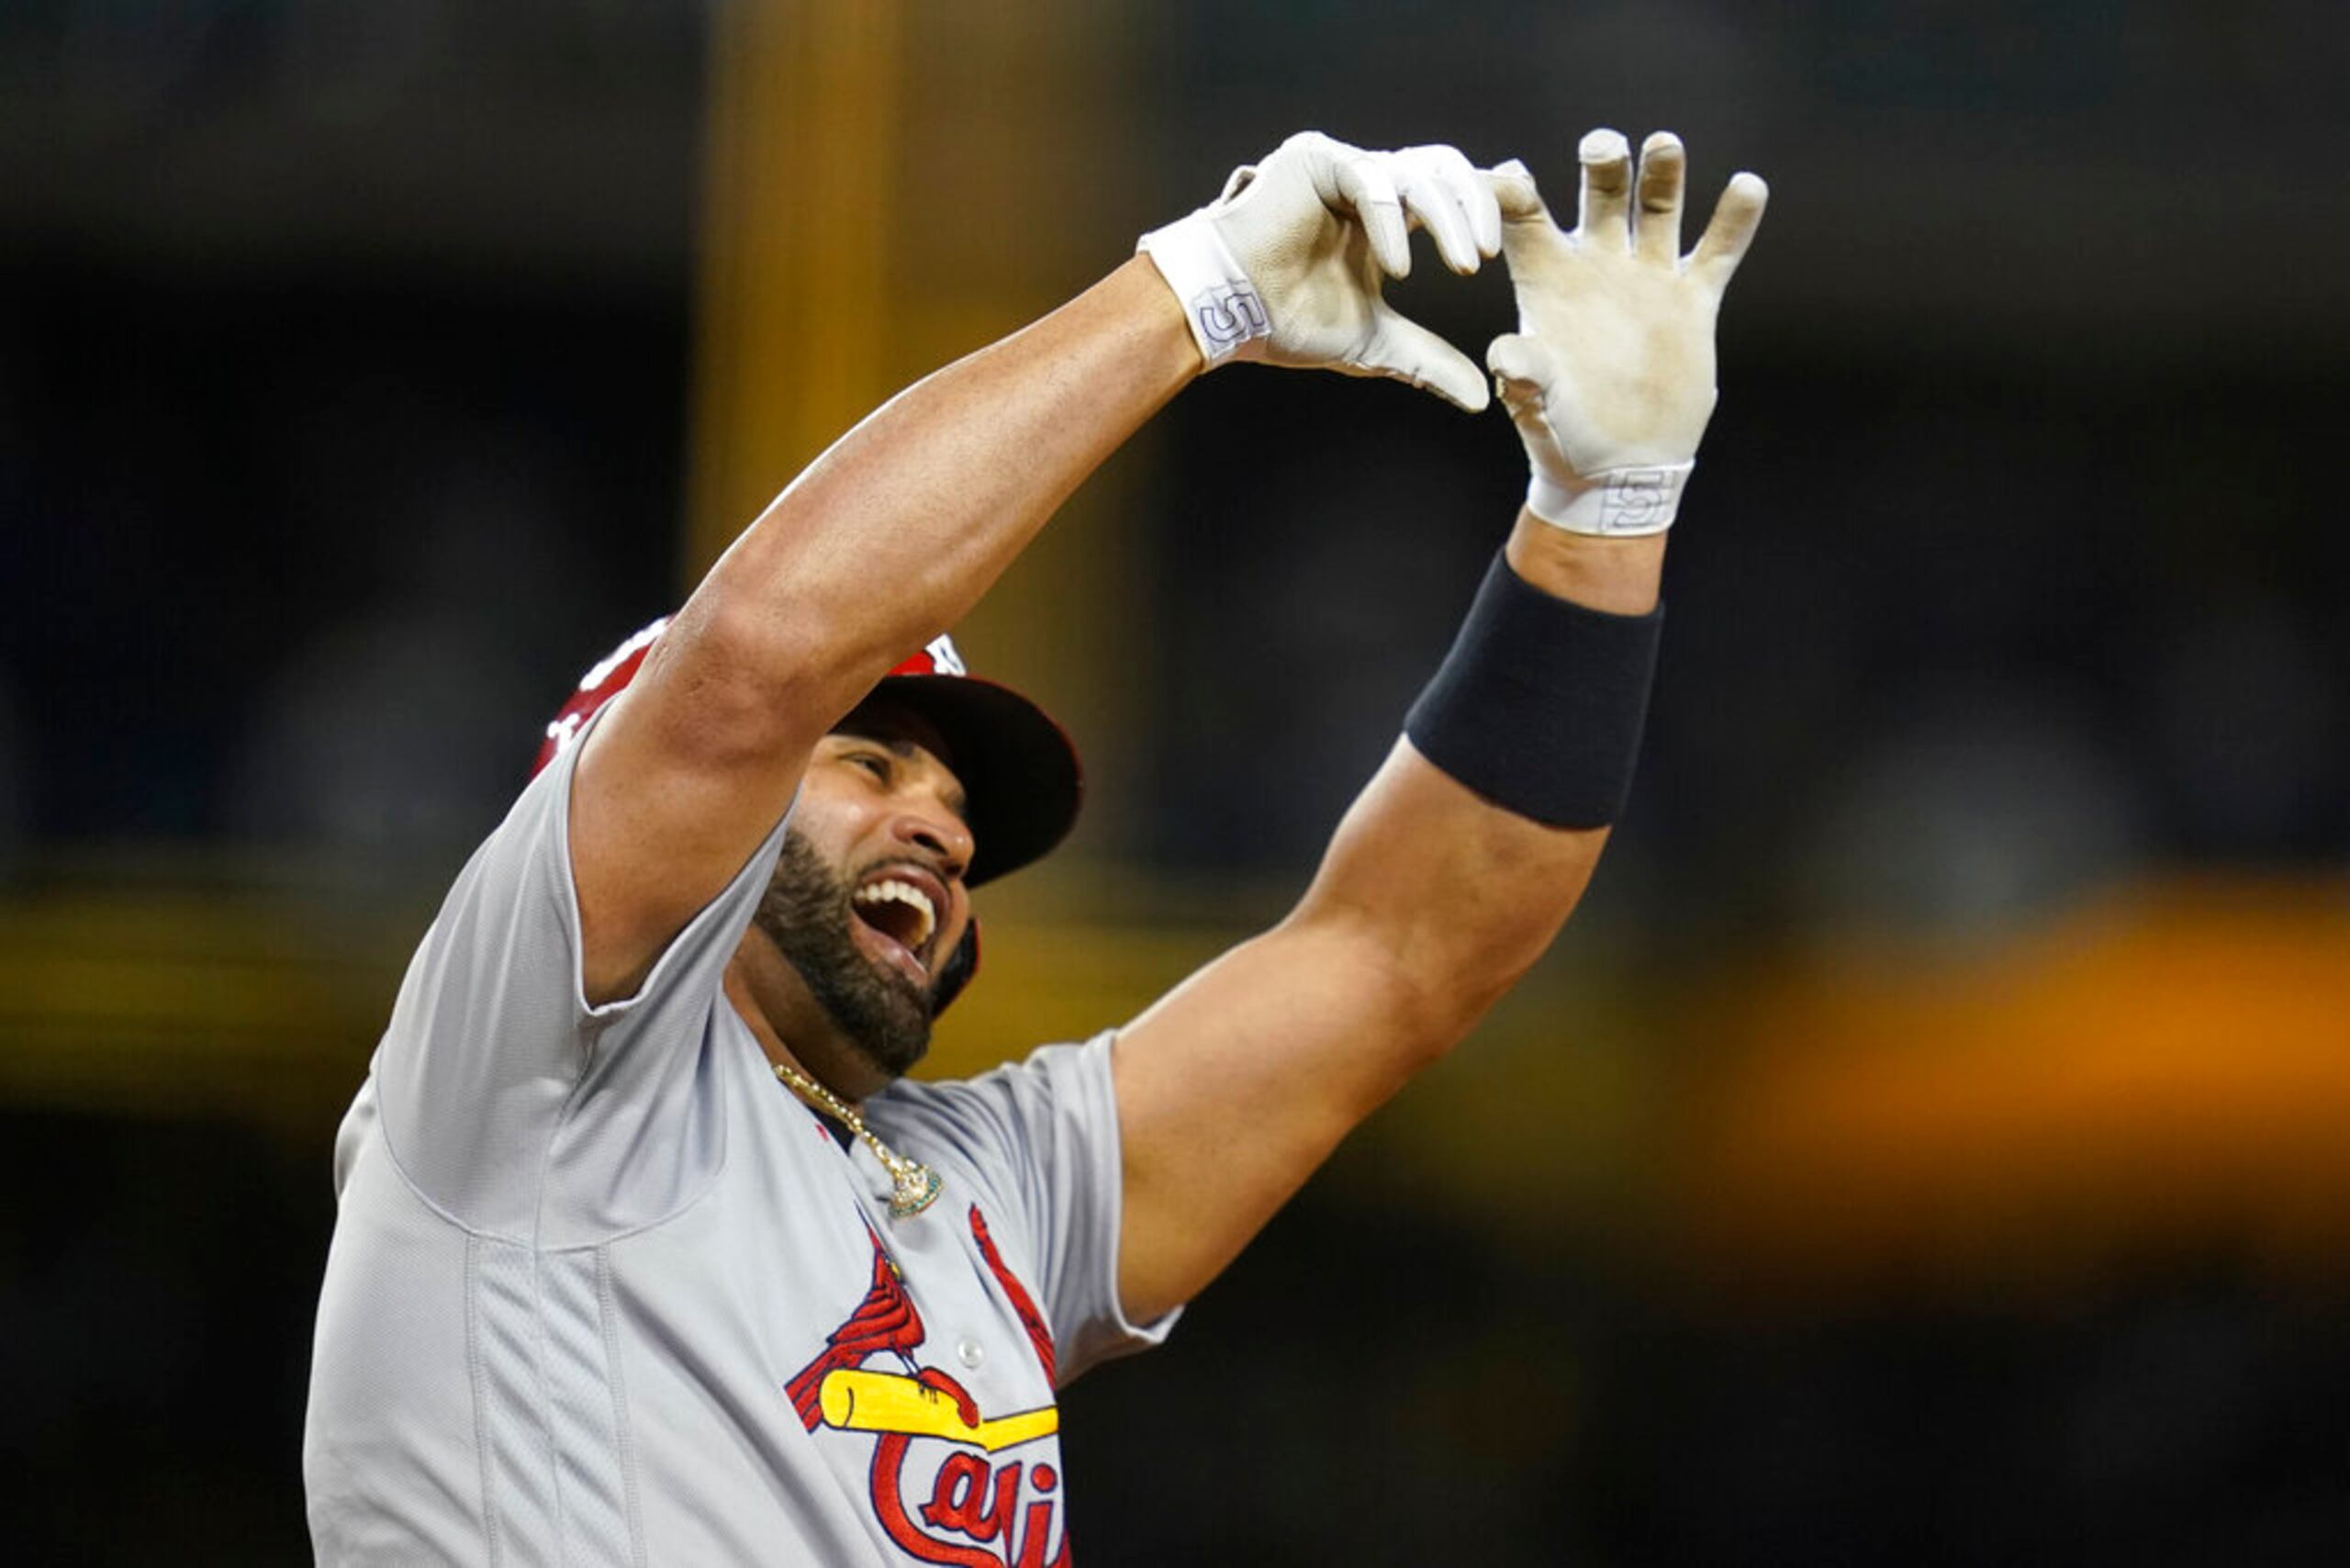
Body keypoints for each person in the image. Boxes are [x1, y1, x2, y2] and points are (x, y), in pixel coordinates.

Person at [302, 127, 1766, 1564]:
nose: (940, 823)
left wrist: (1602, 516)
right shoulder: (524, 1073)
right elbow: (753, 663)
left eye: (961, 807)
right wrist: (1196, 293)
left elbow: (1401, 952)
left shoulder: (987, 1189)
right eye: (870, 759)